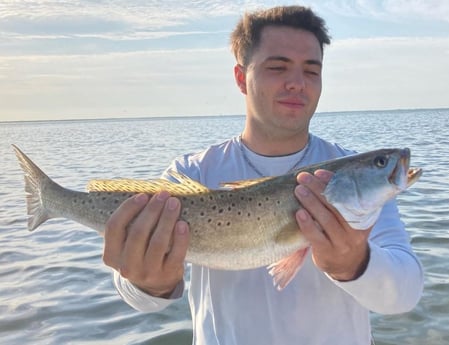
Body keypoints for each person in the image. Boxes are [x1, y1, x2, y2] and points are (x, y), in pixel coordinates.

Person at [102, 5, 424, 345]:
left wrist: (354, 264)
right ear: (241, 78)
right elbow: (137, 298)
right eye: (278, 67)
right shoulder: (193, 173)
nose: (297, 83)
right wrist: (149, 283)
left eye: (311, 71)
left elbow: (405, 295)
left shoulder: (353, 177)